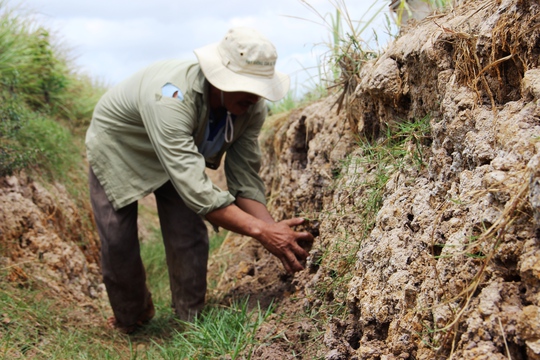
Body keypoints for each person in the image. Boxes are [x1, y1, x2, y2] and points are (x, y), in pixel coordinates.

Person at [86, 27, 314, 334]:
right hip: (121, 147)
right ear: (220, 79)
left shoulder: (250, 107)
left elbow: (244, 176)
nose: (256, 96)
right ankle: (132, 317)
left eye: (260, 88)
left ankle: (189, 319)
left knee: (188, 232)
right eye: (247, 86)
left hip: (177, 153)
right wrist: (261, 232)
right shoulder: (169, 96)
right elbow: (200, 194)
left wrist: (273, 231)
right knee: (117, 240)